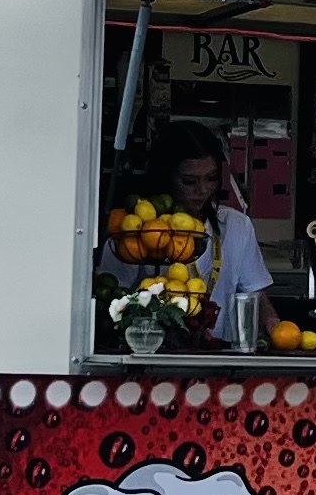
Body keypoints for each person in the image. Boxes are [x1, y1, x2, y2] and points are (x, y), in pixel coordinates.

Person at [100, 122, 274, 349]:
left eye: (211, 178)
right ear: (166, 177)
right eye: (189, 181)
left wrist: (275, 326)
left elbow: (257, 297)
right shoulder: (135, 232)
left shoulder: (235, 225)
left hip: (218, 360)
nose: (202, 190)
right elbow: (110, 303)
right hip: (148, 358)